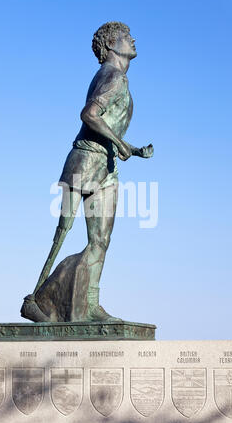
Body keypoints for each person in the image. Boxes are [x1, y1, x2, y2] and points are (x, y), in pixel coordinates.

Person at [21, 22, 153, 323]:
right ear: (110, 45)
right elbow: (89, 114)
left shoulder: (114, 77)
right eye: (124, 37)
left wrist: (128, 148)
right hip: (83, 163)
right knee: (62, 236)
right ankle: (37, 300)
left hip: (105, 166)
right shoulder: (114, 76)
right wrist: (120, 142)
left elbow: (104, 124)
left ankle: (90, 303)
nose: (131, 39)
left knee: (100, 242)